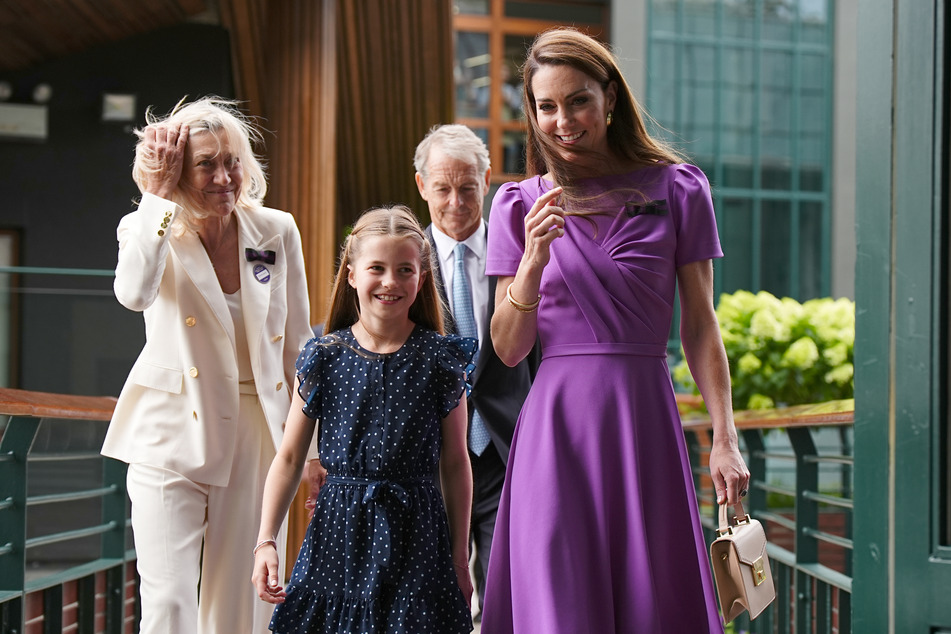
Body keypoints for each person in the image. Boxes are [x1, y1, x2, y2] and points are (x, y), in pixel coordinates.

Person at [480, 28, 751, 632]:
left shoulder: (680, 188)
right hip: (557, 432)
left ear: (609, 97)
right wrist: (531, 263)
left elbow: (702, 327)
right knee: (559, 602)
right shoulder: (518, 204)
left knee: (648, 600)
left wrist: (725, 438)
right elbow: (507, 346)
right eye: (545, 107)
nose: (563, 121)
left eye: (577, 101)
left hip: (642, 422)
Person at [101, 96, 314, 633]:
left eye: (232, 160)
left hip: (256, 434)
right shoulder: (147, 226)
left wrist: (310, 450)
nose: (224, 176)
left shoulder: (276, 230)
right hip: (169, 430)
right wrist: (154, 198)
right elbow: (132, 293)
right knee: (169, 603)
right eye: (205, 164)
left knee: (242, 607)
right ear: (177, 171)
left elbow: (298, 344)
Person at [252, 205, 475, 633]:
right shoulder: (324, 356)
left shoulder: (440, 359)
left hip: (418, 535)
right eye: (377, 268)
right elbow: (289, 456)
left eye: (404, 270)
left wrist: (459, 558)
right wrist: (266, 540)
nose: (390, 281)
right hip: (338, 534)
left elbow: (455, 461)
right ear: (352, 274)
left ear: (421, 279)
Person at [413, 124, 536, 617]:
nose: (457, 202)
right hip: (433, 456)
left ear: (487, 179)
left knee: (509, 594)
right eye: (443, 188)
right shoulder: (404, 266)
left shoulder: (524, 256)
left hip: (510, 450)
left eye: (468, 187)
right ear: (421, 186)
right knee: (433, 595)